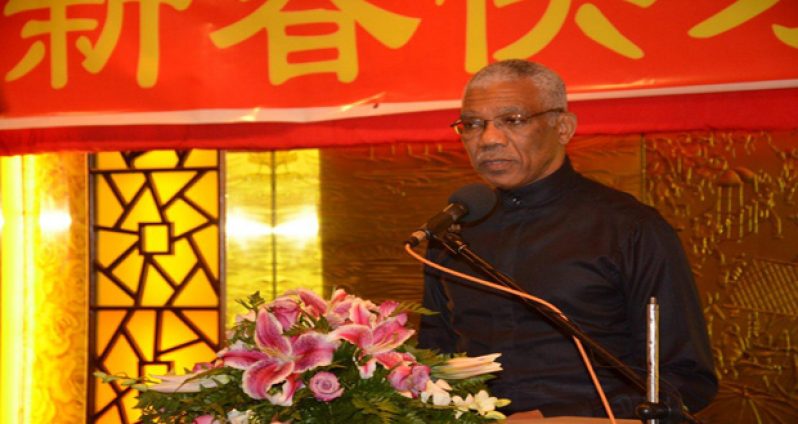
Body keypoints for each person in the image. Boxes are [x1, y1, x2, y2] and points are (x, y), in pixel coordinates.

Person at [417, 60, 718, 420]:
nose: (489, 139)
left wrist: (567, 417)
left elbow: (686, 379)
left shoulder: (630, 228)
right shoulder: (454, 231)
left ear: (562, 127)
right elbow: (433, 363)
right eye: (472, 125)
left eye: (512, 120)